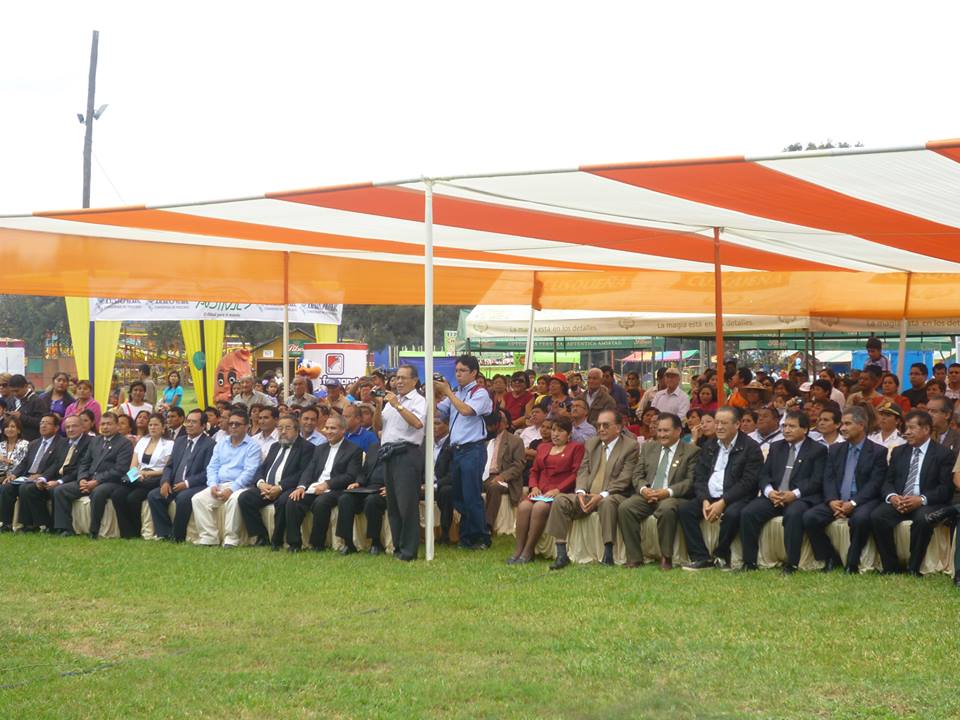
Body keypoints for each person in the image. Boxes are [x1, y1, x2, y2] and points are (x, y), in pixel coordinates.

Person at [545, 410, 637, 570]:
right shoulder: (592, 443)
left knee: (607, 502)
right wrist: (580, 492)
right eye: (598, 425)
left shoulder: (630, 446)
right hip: (587, 495)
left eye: (605, 425)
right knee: (560, 500)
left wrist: (601, 495)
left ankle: (608, 553)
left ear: (618, 427)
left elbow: (625, 479)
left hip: (615, 494)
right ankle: (561, 554)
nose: (601, 429)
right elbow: (583, 470)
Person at [802, 406, 887, 573]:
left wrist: (853, 503)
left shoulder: (878, 451)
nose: (842, 428)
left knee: (861, 520)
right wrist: (832, 500)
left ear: (861, 425)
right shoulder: (835, 449)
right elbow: (829, 478)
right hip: (837, 500)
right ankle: (830, 558)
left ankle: (852, 563)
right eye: (841, 424)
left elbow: (875, 484)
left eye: (847, 424)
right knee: (810, 517)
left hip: (863, 501)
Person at [739, 411, 827, 573]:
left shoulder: (817, 450)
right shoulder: (776, 447)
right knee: (748, 512)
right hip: (775, 496)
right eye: (785, 426)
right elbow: (764, 474)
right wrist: (770, 492)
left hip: (801, 497)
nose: (786, 430)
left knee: (794, 515)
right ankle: (749, 562)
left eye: (792, 426)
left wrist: (793, 494)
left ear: (805, 429)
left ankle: (791, 564)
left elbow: (816, 481)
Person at [869, 410, 955, 574]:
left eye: (911, 428)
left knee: (923, 519)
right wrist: (892, 497)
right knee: (877, 516)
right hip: (900, 501)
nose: (906, 432)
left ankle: (913, 567)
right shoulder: (899, 451)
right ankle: (891, 566)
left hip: (926, 503)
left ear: (926, 429)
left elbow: (945, 489)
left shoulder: (943, 454)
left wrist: (920, 500)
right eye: (905, 428)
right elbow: (888, 481)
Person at [679, 407, 764, 570]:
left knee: (733, 514)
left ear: (737, 424)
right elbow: (700, 476)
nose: (718, 427)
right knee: (685, 510)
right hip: (710, 496)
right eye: (717, 423)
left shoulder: (750, 447)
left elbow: (748, 482)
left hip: (737, 497)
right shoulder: (710, 445)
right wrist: (704, 499)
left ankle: (721, 554)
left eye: (724, 423)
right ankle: (701, 557)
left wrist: (723, 502)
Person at [618, 412, 699, 569]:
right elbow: (637, 474)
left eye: (666, 431)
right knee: (625, 507)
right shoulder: (648, 448)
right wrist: (643, 489)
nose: (661, 434)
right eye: (659, 430)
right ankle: (634, 557)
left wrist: (667, 492)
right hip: (648, 495)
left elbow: (690, 482)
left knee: (667, 508)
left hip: (673, 496)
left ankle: (666, 557)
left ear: (678, 431)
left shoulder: (691, 451)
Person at [435, 355, 494, 550]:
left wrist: (449, 393)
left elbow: (467, 411)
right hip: (457, 450)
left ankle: (480, 537)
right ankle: (468, 535)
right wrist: (434, 393)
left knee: (471, 495)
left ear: (474, 373)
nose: (458, 375)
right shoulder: (457, 393)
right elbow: (439, 412)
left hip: (473, 449)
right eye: (456, 371)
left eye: (462, 371)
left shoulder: (480, 392)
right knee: (459, 495)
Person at [508, 416, 584, 564]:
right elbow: (534, 470)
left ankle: (529, 550)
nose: (555, 434)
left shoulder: (576, 448)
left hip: (561, 491)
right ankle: (518, 549)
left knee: (539, 507)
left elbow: (576, 474)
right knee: (523, 507)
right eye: (553, 430)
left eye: (560, 431)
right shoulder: (543, 447)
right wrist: (534, 486)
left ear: (568, 434)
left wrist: (558, 490)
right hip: (540, 490)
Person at [285, 413, 363, 552]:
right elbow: (309, 470)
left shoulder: (353, 450)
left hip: (336, 489)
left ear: (343, 430)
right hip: (315, 487)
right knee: (293, 500)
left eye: (333, 428)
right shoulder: (320, 448)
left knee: (321, 502)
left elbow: (350, 476)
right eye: (326, 428)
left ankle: (317, 544)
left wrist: (327, 484)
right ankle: (294, 543)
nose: (328, 431)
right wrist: (301, 486)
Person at [371, 364, 426, 561]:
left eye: (403, 378)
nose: (398, 382)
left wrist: (398, 405)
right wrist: (378, 405)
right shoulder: (391, 401)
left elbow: (418, 423)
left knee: (407, 504)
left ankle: (409, 550)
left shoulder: (418, 401)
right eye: (396, 378)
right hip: (388, 453)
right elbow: (377, 427)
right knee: (393, 505)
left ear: (414, 381)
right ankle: (398, 547)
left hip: (407, 453)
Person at [51, 412, 134, 539]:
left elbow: (120, 469)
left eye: (109, 424)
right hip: (89, 479)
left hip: (111, 481)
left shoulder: (124, 443)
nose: (105, 427)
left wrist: (97, 481)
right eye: (103, 424)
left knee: (98, 492)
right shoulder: (95, 440)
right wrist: (82, 479)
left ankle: (94, 530)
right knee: (60, 490)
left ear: (117, 426)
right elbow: (85, 462)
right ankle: (65, 528)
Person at [237, 413, 314, 549]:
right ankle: (261, 536)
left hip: (288, 488)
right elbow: (262, 468)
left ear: (297, 430)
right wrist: (261, 483)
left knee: (284, 501)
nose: (283, 432)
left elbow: (303, 473)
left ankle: (279, 540)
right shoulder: (275, 446)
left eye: (287, 428)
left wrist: (280, 487)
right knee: (245, 498)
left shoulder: (307, 447)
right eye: (280, 428)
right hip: (267, 487)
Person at [191, 409, 262, 547]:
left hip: (242, 486)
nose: (233, 427)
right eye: (231, 424)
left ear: (247, 427)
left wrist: (232, 488)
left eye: (237, 424)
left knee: (235, 499)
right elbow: (212, 467)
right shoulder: (221, 443)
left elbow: (250, 472)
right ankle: (209, 537)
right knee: (198, 499)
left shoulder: (253, 446)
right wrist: (212, 485)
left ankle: (232, 538)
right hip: (219, 484)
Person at [146, 409, 216, 542]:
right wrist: (165, 481)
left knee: (183, 498)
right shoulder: (180, 441)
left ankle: (177, 536)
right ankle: (164, 533)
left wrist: (187, 483)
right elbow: (169, 466)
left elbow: (208, 472)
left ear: (203, 425)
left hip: (195, 485)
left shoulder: (210, 444)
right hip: (174, 483)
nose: (189, 425)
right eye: (188, 421)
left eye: (193, 422)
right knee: (154, 495)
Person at [17, 415, 85, 532]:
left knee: (56, 489)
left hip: (75, 479)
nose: (70, 429)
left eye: (74, 426)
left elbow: (80, 468)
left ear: (82, 427)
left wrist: (58, 481)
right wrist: (44, 478)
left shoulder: (86, 442)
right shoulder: (67, 443)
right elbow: (56, 465)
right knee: (27, 488)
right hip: (55, 477)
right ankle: (37, 524)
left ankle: (59, 527)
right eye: (68, 427)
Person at [0, 414, 67, 531]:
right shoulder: (34, 443)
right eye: (41, 423)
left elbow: (57, 464)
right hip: (27, 477)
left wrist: (42, 476)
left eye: (47, 423)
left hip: (46, 478)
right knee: (7, 487)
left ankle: (32, 524)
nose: (43, 425)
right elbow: (24, 463)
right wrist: (13, 475)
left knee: (26, 488)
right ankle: (6, 524)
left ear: (56, 428)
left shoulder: (62, 443)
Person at [112, 413, 173, 539]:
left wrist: (146, 473)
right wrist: (136, 475)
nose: (152, 427)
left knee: (133, 498)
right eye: (150, 425)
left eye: (156, 425)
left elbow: (167, 469)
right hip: (137, 476)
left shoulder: (169, 444)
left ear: (163, 427)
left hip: (155, 478)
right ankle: (126, 532)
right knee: (117, 494)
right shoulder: (142, 441)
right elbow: (133, 465)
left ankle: (137, 530)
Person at [338, 433, 389, 555]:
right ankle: (348, 543)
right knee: (345, 498)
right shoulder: (374, 447)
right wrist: (358, 483)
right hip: (367, 487)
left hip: (386, 489)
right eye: (380, 430)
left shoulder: (401, 448)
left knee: (372, 501)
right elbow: (364, 471)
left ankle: (375, 543)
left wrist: (392, 487)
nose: (382, 433)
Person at [481, 409, 526, 535]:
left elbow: (518, 465)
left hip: (505, 479)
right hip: (483, 476)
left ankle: (487, 526)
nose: (495, 424)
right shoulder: (485, 440)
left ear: (506, 424)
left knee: (494, 487)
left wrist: (502, 476)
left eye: (499, 421)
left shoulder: (515, 441)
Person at [7, 374, 45, 441]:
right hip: (13, 440)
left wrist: (21, 417)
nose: (15, 394)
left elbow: (41, 422)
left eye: (17, 391)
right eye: (12, 391)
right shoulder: (11, 400)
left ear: (25, 386)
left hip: (30, 440)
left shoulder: (37, 401)